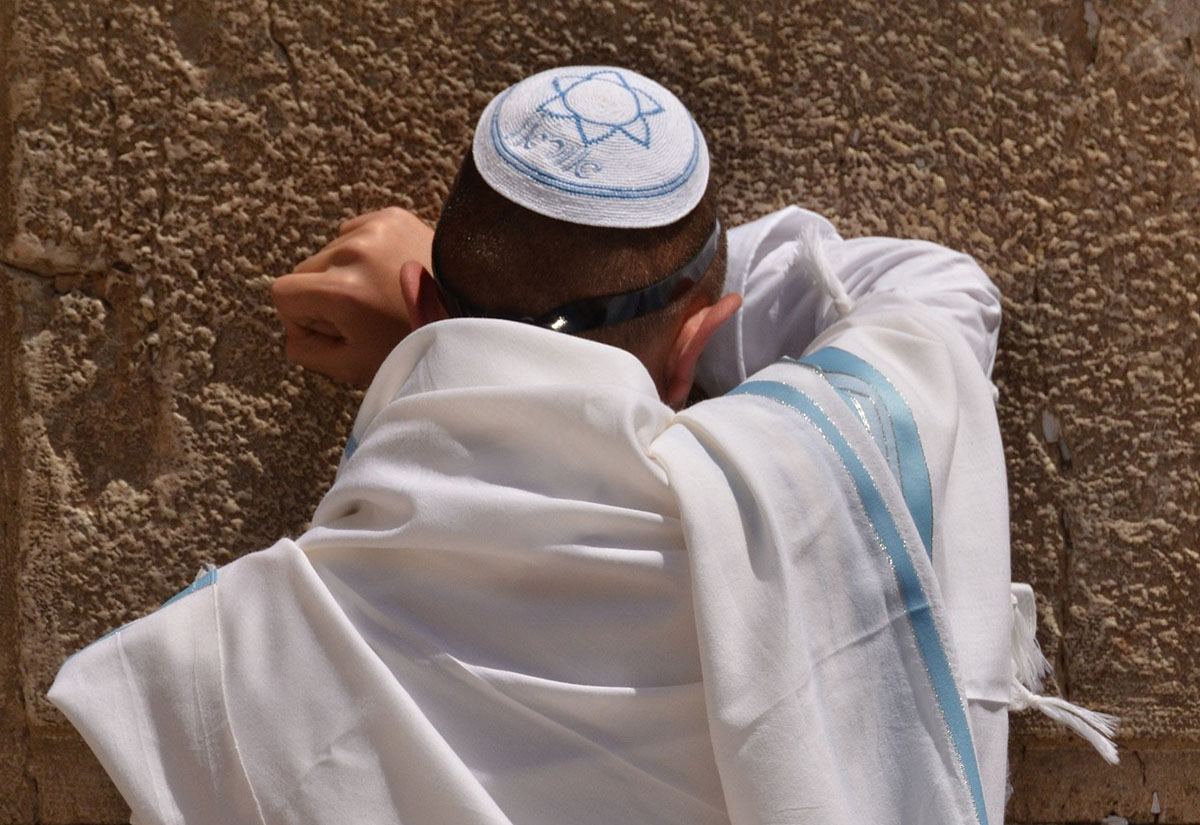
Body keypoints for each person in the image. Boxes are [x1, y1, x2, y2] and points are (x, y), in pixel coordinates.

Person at [50, 65, 1109, 825]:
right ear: (698, 340)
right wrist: (686, 322)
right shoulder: (795, 486)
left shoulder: (225, 657)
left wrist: (449, 339)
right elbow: (932, 292)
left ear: (427, 300)